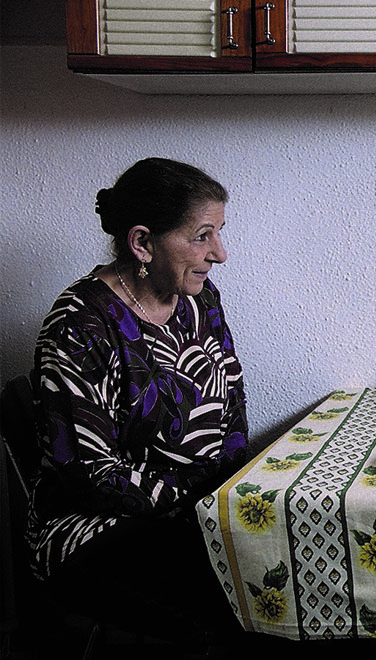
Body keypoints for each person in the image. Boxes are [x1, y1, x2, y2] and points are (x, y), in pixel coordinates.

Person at [24, 157, 249, 652]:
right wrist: (195, 507)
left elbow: (232, 399)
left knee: (273, 564)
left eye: (219, 233)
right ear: (142, 243)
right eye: (202, 236)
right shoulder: (79, 326)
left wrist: (230, 499)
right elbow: (87, 473)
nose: (219, 253)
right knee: (236, 601)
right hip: (98, 529)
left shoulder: (199, 299)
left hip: (194, 510)